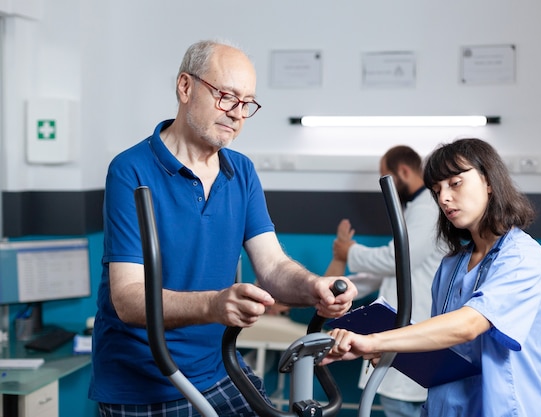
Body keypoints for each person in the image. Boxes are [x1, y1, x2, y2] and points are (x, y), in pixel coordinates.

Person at [88, 39, 357, 417]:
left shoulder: (241, 171)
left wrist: (314, 287)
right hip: (144, 381)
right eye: (226, 96)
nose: (237, 113)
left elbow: (273, 267)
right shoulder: (130, 169)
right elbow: (129, 299)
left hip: (218, 368)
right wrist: (214, 305)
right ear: (185, 87)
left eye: (247, 103)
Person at [323, 138, 541, 417]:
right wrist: (390, 350)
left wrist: (376, 340)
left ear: (489, 181)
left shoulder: (523, 257)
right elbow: (448, 353)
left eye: (455, 183)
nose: (443, 198)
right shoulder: (451, 266)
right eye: (437, 190)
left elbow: (468, 326)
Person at [324, 145, 446, 417]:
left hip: (415, 331)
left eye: (385, 176)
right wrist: (346, 284)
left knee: (403, 404)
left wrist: (349, 251)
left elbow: (397, 260)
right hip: (401, 335)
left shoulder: (427, 208)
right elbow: (393, 270)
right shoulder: (416, 210)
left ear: (402, 171)